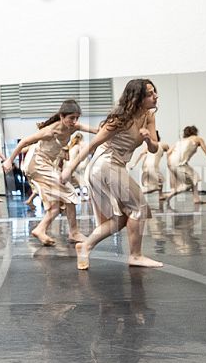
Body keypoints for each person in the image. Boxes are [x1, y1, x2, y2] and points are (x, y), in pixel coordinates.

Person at [61, 79, 164, 270]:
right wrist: (70, 168)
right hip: (104, 164)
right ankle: (135, 256)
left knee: (121, 218)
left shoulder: (149, 116)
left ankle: (85, 246)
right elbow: (93, 144)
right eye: (150, 94)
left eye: (154, 92)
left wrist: (148, 140)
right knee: (138, 207)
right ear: (138, 98)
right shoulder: (120, 119)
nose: (155, 96)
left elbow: (154, 148)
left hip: (117, 165)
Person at [3, 100, 100, 246]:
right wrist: (9, 160)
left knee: (56, 204)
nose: (75, 121)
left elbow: (97, 131)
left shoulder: (73, 127)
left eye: (77, 118)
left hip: (46, 164)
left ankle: (40, 229)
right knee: (70, 193)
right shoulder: (50, 131)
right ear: (61, 116)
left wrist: (114, 128)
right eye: (71, 118)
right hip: (36, 163)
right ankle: (74, 232)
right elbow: (24, 142)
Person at [166, 126, 206, 208]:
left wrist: (170, 165)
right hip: (179, 163)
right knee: (187, 185)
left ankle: (196, 199)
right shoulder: (198, 139)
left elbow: (168, 152)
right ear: (195, 132)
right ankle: (170, 194)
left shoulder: (180, 141)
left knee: (195, 177)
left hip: (171, 162)